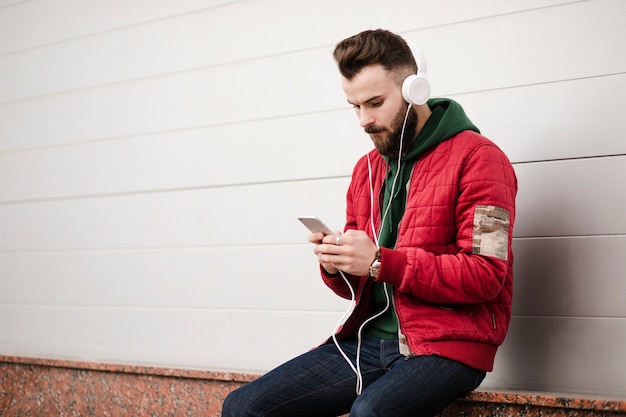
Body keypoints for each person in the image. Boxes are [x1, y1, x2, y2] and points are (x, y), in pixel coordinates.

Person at [222, 28, 517, 417]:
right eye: (355, 106)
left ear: (414, 90)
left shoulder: (480, 159)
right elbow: (357, 289)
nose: (364, 120)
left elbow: (485, 275)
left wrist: (381, 261)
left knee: (371, 412)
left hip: (446, 344)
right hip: (367, 341)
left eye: (375, 103)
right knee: (243, 406)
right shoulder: (367, 170)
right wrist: (336, 263)